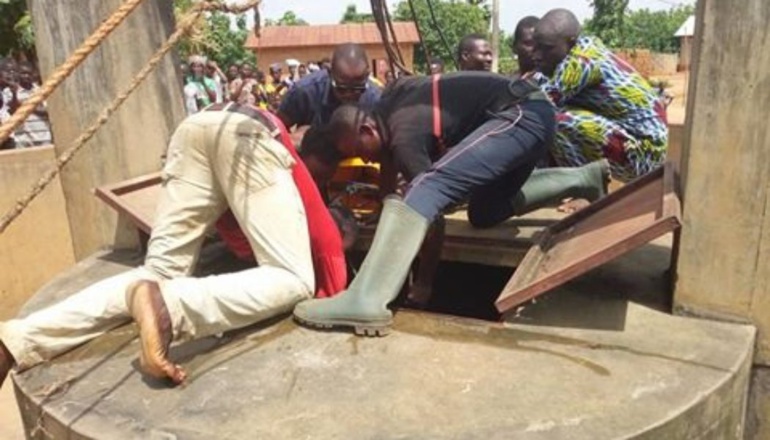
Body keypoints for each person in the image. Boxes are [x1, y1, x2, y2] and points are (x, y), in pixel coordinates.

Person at [0, 104, 351, 388]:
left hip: (190, 130)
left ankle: (16, 342)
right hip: (245, 135)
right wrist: (334, 293)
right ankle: (170, 307)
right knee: (292, 278)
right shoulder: (281, 144)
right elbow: (325, 237)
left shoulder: (259, 114)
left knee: (157, 271)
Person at [292, 72, 608, 335]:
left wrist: (425, 282)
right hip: (535, 114)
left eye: (360, 150)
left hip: (520, 114)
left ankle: (366, 301)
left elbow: (432, 207)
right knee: (485, 212)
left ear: (367, 129)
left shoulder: (402, 132)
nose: (366, 158)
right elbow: (391, 170)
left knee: (426, 187)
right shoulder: (393, 115)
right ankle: (583, 178)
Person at [532, 8, 668, 182]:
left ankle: (581, 185)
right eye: (535, 47)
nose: (536, 55)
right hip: (630, 140)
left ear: (570, 43)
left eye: (546, 48)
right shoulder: (575, 54)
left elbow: (543, 99)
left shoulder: (583, 61)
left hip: (644, 155)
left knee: (552, 118)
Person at [276, 43, 381, 131]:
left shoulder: (376, 100)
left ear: (367, 76)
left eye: (358, 89)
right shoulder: (304, 92)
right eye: (341, 88)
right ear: (330, 73)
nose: (349, 94)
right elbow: (277, 130)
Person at [11, 61, 52, 147]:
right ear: (18, 74)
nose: (26, 76)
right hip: (22, 137)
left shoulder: (40, 90)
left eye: (29, 73)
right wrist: (14, 94)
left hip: (42, 134)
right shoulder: (13, 91)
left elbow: (47, 111)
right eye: (23, 73)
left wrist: (29, 107)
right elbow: (12, 112)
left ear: (33, 75)